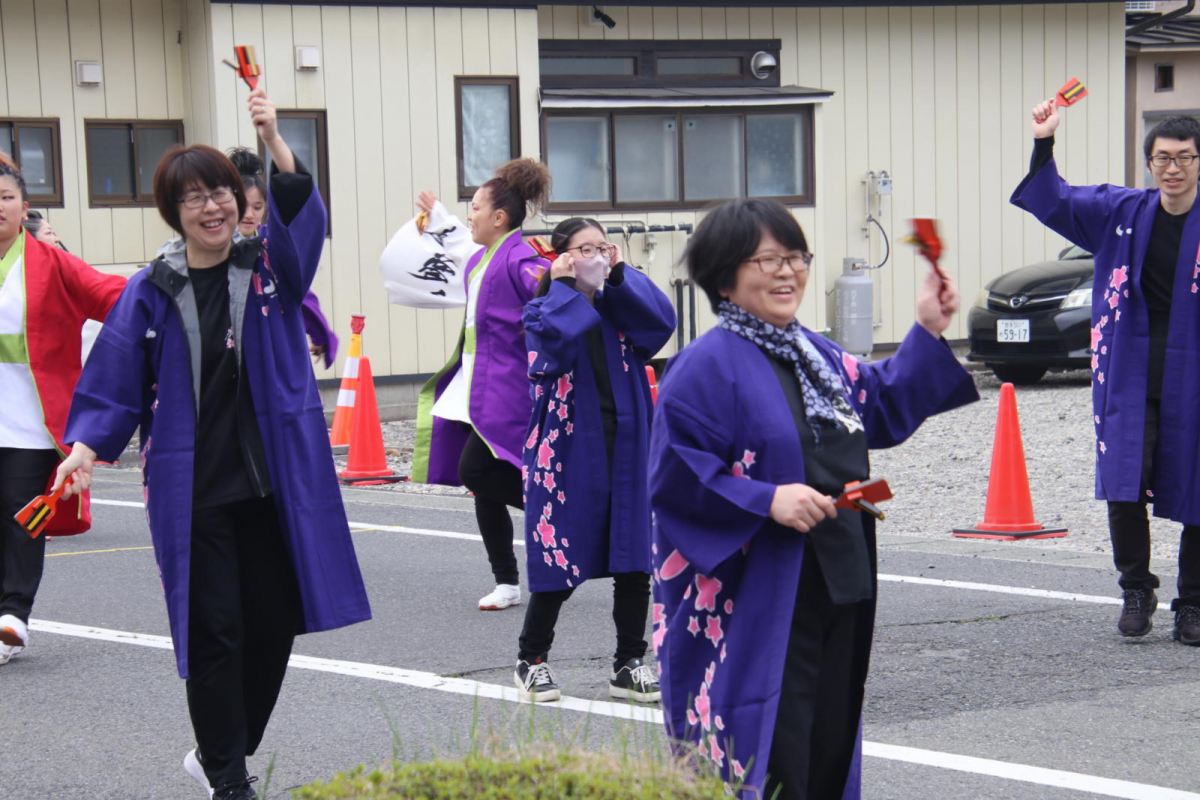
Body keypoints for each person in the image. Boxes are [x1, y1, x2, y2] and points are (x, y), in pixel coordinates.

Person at [52, 88, 371, 800]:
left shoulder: (269, 270)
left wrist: (275, 138)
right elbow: (114, 379)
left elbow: (300, 216)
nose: (212, 207)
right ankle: (230, 779)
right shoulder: (152, 288)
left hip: (274, 484)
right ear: (174, 212)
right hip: (193, 490)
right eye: (193, 197)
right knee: (214, 632)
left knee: (277, 622)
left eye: (221, 192)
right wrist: (83, 448)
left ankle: (219, 748)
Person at [648, 199, 978, 799]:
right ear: (725, 276)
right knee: (772, 735)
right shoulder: (701, 367)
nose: (787, 272)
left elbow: (875, 404)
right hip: (761, 582)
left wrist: (927, 330)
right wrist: (765, 499)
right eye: (767, 259)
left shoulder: (815, 353)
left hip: (839, 566)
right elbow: (677, 478)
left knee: (830, 728)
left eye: (795, 257)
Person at [1012, 106, 1200, 645]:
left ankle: (1192, 603)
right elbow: (1057, 198)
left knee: (1198, 482)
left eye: (1184, 158)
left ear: (1198, 162)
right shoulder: (1122, 210)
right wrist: (1043, 142)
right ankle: (1136, 588)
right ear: (1148, 162)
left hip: (1193, 377)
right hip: (1129, 373)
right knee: (1123, 480)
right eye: (1163, 157)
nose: (1173, 168)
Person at [514, 217, 676, 702]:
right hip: (567, 449)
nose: (597, 257)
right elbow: (553, 345)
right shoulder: (544, 307)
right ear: (561, 257)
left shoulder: (618, 305)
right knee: (560, 552)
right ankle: (532, 659)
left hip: (628, 443)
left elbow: (660, 323)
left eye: (603, 247)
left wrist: (621, 275)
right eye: (584, 249)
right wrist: (566, 284)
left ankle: (629, 662)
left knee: (633, 558)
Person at [410, 159, 552, 611]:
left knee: (477, 471)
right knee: (485, 484)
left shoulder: (523, 258)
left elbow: (552, 300)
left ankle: (564, 521)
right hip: (477, 385)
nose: (469, 214)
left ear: (500, 218)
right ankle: (507, 582)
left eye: (475, 207)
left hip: (505, 390)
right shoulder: (486, 254)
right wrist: (438, 217)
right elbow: (456, 242)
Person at [0, 155, 125, 666]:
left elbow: (113, 296)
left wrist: (180, 290)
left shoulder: (50, 263)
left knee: (21, 515)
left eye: (6, 198)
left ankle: (12, 613)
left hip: (32, 416)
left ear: (24, 207)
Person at [228, 147, 338, 369]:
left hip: (266, 350)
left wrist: (319, 332)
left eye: (257, 207)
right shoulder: (212, 249)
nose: (250, 214)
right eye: (242, 206)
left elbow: (300, 293)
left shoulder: (271, 245)